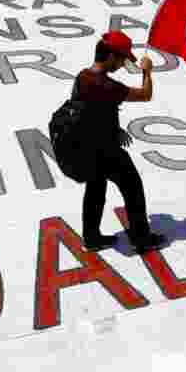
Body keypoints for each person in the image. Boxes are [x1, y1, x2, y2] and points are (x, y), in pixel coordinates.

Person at [72, 30, 167, 252]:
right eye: (123, 58)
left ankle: (91, 238)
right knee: (132, 187)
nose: (123, 64)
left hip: (86, 147)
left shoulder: (82, 77)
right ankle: (141, 239)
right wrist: (147, 72)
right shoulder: (106, 85)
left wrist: (115, 129)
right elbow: (145, 94)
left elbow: (91, 111)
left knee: (95, 189)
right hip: (105, 151)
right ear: (112, 56)